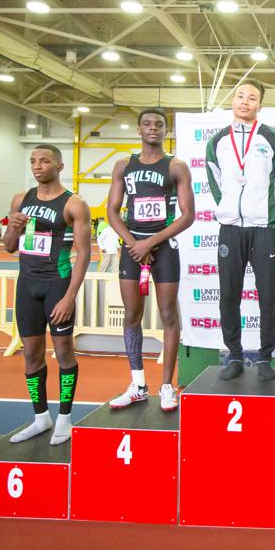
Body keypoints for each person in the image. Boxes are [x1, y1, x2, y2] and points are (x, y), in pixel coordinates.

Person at [2, 145, 91, 445]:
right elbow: (10, 246)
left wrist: (69, 297)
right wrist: (12, 229)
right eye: (33, 161)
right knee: (31, 354)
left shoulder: (73, 204)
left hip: (57, 285)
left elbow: (84, 254)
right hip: (27, 285)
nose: (37, 166)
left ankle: (65, 418)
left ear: (59, 166)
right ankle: (41, 417)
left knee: (64, 352)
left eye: (44, 161)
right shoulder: (20, 199)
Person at [106, 108, 194, 411]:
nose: (153, 128)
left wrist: (151, 243)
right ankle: (138, 384)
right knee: (132, 315)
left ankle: (167, 386)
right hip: (133, 250)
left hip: (164, 247)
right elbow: (112, 211)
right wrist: (134, 245)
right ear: (139, 129)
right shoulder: (123, 165)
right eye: (147, 124)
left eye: (159, 124)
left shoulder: (176, 166)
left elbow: (188, 215)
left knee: (169, 315)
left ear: (165, 131)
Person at [205, 79, 275, 381]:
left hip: (264, 229)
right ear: (233, 100)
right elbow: (215, 182)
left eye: (252, 97)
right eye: (240, 96)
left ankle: (266, 356)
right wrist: (229, 207)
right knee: (229, 294)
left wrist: (270, 214)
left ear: (260, 104)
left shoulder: (273, 139)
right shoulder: (217, 141)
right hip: (231, 228)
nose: (245, 101)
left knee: (268, 294)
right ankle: (235, 354)